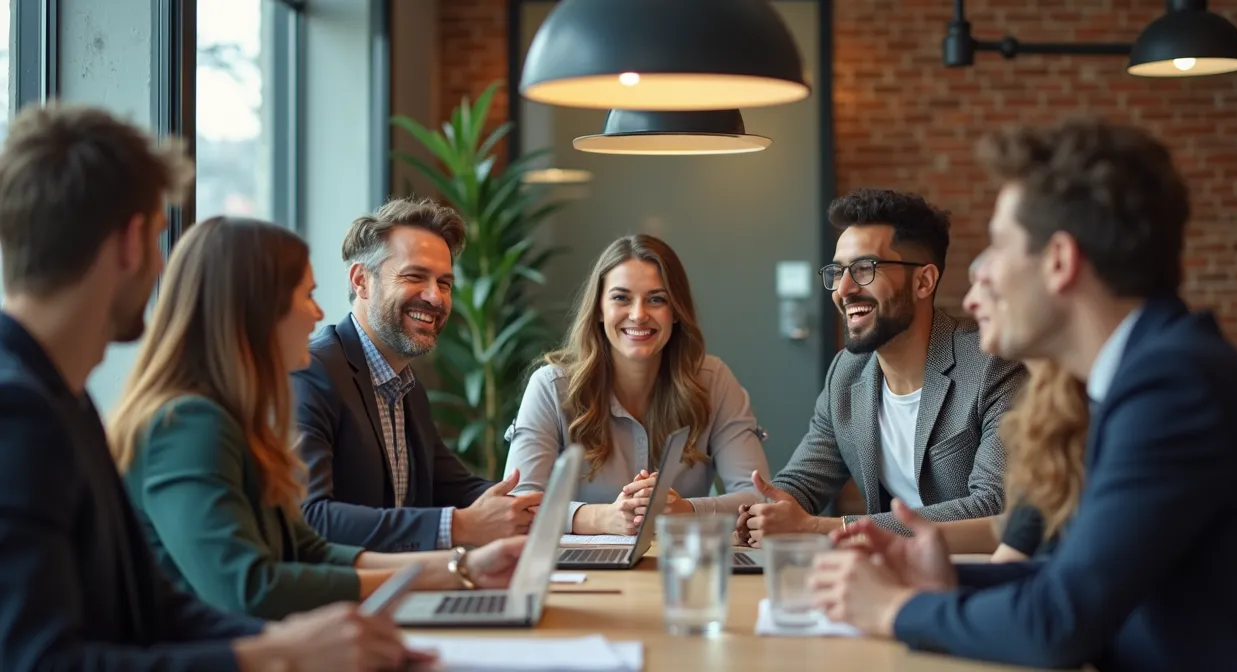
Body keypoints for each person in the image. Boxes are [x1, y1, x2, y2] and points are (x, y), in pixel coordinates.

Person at [808, 118, 1237, 671]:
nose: (981, 276)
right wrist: (938, 572)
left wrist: (896, 608)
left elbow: (1056, 624)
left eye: (999, 245)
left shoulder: (1173, 389)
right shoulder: (1145, 375)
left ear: (1060, 262)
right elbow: (1068, 576)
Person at [0, 102, 425, 670]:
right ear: (129, 242)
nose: (160, 266)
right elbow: (39, 661)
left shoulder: (60, 401)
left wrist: (293, 646)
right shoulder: (21, 412)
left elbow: (154, 612)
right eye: (156, 237)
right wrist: (275, 654)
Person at [107, 216, 527, 621]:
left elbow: (309, 549)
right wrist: (454, 561)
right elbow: (252, 588)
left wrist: (462, 570)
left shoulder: (235, 419)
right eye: (306, 294)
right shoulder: (187, 425)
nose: (317, 312)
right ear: (256, 308)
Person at [737, 189, 1024, 544]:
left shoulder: (992, 367)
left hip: (976, 577)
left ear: (923, 281)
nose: (843, 289)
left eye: (863, 269)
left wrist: (832, 528)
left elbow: (993, 506)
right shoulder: (847, 372)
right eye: (838, 271)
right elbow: (801, 482)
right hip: (892, 572)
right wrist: (764, 511)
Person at [293, 198, 542, 552]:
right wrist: (457, 526)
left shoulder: (406, 387)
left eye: (444, 283)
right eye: (414, 276)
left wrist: (540, 509)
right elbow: (312, 517)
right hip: (344, 597)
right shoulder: (312, 374)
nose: (435, 298)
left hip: (406, 586)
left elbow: (452, 487)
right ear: (362, 280)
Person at [504, 234, 770, 535]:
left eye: (657, 299)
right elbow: (517, 505)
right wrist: (601, 518)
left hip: (679, 563)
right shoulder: (551, 387)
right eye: (621, 298)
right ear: (599, 310)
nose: (639, 314)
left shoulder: (714, 381)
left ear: (676, 312)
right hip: (582, 574)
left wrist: (686, 510)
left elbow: (758, 497)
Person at [935, 252, 1088, 562]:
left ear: (1057, 269)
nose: (970, 302)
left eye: (986, 279)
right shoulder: (1052, 409)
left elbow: (1069, 596)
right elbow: (1011, 556)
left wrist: (901, 604)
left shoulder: (1131, 401)